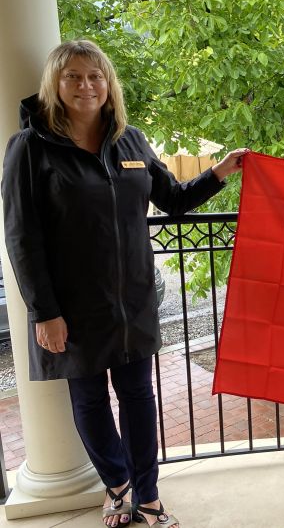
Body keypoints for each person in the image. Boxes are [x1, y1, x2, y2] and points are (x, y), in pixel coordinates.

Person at [2, 40, 249, 527]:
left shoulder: (130, 140)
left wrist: (220, 172)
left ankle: (149, 496)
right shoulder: (30, 147)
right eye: (73, 76)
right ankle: (116, 485)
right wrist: (43, 311)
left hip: (133, 299)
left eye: (95, 76)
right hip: (71, 306)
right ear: (55, 83)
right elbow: (21, 238)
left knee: (139, 397)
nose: (86, 85)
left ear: (108, 84)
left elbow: (173, 200)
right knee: (89, 399)